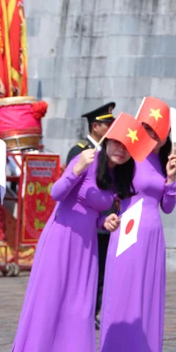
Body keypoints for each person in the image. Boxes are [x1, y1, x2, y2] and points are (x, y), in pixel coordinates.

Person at [1, 136, 133, 352]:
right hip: (60, 241)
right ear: (107, 142)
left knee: (79, 315)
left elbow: (91, 213)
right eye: (117, 143)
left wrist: (105, 221)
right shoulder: (86, 160)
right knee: (47, 311)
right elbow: (56, 193)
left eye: (127, 147)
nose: (121, 150)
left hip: (86, 249)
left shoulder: (115, 176)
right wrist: (77, 168)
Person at [95, 123, 176, 352]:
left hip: (153, 236)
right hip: (128, 234)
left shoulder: (163, 162)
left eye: (160, 133)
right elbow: (106, 185)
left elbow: (168, 206)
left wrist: (171, 179)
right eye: (149, 131)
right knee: (121, 299)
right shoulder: (130, 156)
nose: (154, 137)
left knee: (147, 303)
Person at [67, 103, 115, 327]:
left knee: (101, 271)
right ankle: (75, 311)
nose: (110, 127)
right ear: (95, 127)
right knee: (80, 269)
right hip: (84, 222)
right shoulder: (79, 151)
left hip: (105, 222)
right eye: (107, 124)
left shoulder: (110, 153)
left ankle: (93, 312)